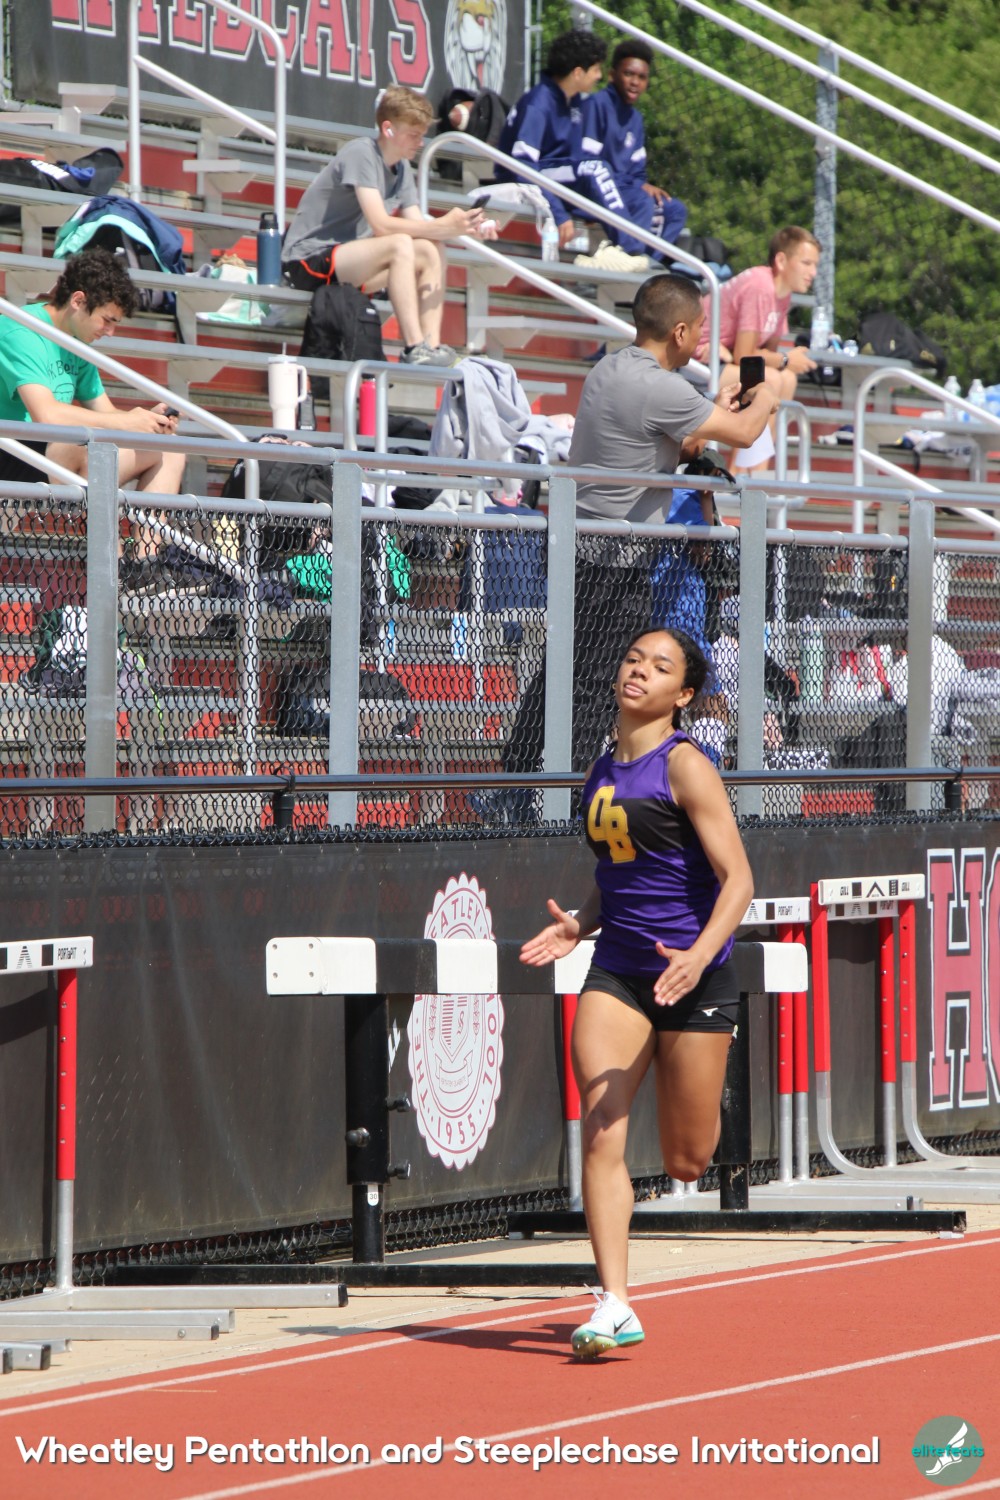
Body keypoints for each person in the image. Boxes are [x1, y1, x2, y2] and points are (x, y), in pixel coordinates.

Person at [521, 625, 754, 1358]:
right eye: (632, 659)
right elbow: (617, 866)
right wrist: (581, 924)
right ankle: (615, 1301)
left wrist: (699, 955)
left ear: (683, 694)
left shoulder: (686, 765)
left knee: (687, 1159)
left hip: (692, 973)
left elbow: (739, 880)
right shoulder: (601, 767)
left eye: (659, 667)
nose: (639, 672)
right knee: (601, 1121)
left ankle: (699, 1087)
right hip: (619, 969)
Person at [476, 273, 778, 825]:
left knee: (559, 674)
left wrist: (716, 406)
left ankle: (511, 790)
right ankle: (560, 807)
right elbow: (744, 433)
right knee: (596, 685)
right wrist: (769, 396)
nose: (703, 340)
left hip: (582, 551)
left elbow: (674, 445)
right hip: (615, 561)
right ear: (679, 331)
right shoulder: (660, 387)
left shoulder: (611, 368)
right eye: (700, 330)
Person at [281, 86, 496, 368]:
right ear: (388, 129)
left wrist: (463, 228)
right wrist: (445, 225)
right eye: (413, 134)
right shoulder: (361, 152)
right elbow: (381, 225)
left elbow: (419, 227)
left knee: (431, 249)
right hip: (305, 260)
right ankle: (413, 347)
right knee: (400, 244)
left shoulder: (402, 168)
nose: (420, 143)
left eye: (422, 135)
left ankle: (429, 345)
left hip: (348, 262)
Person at [0, 247, 184, 506]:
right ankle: (105, 534)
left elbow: (105, 413)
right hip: (11, 452)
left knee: (169, 448)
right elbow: (47, 415)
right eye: (107, 320)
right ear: (78, 301)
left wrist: (147, 421)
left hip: (44, 453)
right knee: (86, 444)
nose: (110, 332)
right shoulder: (20, 330)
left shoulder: (77, 342)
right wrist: (126, 422)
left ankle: (151, 536)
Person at [574, 39, 687, 273]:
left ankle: (646, 264)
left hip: (625, 188)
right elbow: (588, 164)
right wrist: (637, 186)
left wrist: (642, 184)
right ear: (612, 75)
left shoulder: (635, 119)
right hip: (597, 188)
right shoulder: (597, 105)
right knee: (641, 200)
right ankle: (627, 259)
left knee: (675, 209)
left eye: (642, 77)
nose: (635, 82)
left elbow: (638, 172)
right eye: (628, 74)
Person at [496, 29, 607, 253]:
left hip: (554, 180)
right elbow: (523, 167)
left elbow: (571, 161)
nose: (599, 76)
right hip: (526, 183)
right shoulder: (539, 103)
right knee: (596, 169)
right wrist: (558, 212)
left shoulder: (573, 101)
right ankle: (630, 248)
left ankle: (623, 246)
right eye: (596, 69)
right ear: (578, 73)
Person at [696, 225, 820, 422]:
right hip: (697, 360)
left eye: (815, 265)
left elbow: (766, 354)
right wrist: (786, 360)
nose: (813, 272)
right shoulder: (760, 285)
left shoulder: (783, 295)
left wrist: (781, 361)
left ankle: (766, 443)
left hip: (724, 360)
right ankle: (751, 440)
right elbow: (745, 356)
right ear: (781, 261)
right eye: (806, 263)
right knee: (770, 380)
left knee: (787, 379)